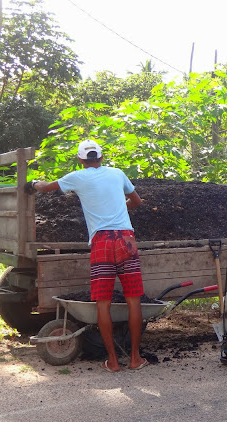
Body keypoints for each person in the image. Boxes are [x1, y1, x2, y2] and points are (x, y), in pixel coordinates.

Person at [26, 139, 148, 372]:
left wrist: (32, 184)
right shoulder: (117, 173)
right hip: (126, 240)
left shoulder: (77, 177)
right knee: (134, 300)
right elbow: (137, 202)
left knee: (103, 303)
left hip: (102, 242)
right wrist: (121, 208)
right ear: (101, 157)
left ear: (81, 160)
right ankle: (135, 358)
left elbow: (45, 187)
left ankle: (112, 361)